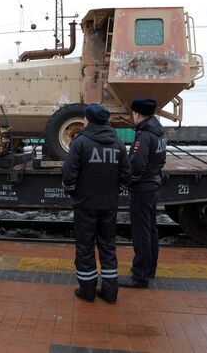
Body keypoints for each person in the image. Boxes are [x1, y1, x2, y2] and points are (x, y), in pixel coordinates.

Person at [62, 104, 130, 303]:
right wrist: (116, 191)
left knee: (85, 247)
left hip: (85, 204)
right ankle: (110, 292)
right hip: (109, 205)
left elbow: (69, 174)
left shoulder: (80, 142)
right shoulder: (118, 143)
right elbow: (126, 174)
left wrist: (73, 191)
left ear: (88, 120)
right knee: (108, 246)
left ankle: (87, 290)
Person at [119, 99, 167, 289]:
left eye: (133, 113)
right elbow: (161, 160)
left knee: (141, 234)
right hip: (153, 186)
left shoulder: (144, 136)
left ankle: (140, 276)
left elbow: (137, 165)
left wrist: (130, 181)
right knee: (151, 230)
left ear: (137, 114)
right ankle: (150, 269)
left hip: (142, 190)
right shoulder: (160, 133)